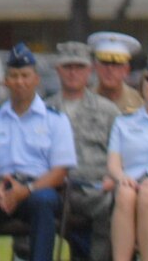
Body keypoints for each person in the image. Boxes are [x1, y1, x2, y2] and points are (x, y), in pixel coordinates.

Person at [0, 42, 76, 261]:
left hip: (39, 189)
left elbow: (60, 171)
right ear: (5, 81)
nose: (20, 82)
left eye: (25, 76)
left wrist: (26, 190)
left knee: (43, 202)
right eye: (14, 76)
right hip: (3, 191)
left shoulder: (55, 120)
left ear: (36, 79)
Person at [53, 40, 119, 261]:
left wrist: (113, 177)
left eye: (79, 67)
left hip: (95, 189)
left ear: (89, 70)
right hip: (55, 189)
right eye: (67, 67)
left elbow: (119, 154)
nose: (73, 73)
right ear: (57, 69)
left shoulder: (108, 111)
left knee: (112, 203)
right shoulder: (44, 110)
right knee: (35, 203)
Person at [107, 37, 148, 261]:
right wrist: (121, 177)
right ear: (143, 82)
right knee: (124, 193)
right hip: (132, 183)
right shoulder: (125, 121)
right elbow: (114, 161)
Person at [91, 35, 144, 117]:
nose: (110, 70)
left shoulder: (139, 102)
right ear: (95, 67)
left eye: (116, 64)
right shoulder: (82, 100)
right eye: (105, 63)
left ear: (126, 70)